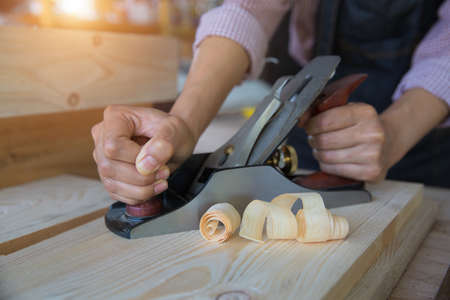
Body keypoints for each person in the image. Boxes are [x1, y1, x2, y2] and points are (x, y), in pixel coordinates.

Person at [91, 0, 450, 205]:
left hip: (421, 136)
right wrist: (182, 125)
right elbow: (247, 9)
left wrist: (396, 131)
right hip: (302, 131)